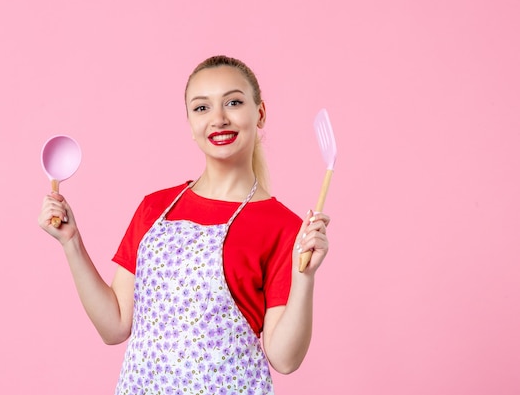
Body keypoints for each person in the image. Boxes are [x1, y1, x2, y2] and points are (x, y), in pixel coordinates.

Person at [38, 55, 331, 394]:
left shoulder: (282, 226)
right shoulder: (155, 207)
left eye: (234, 102)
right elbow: (115, 326)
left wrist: (305, 276)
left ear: (260, 113)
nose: (218, 119)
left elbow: (284, 359)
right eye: (201, 108)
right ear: (190, 123)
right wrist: (71, 242)